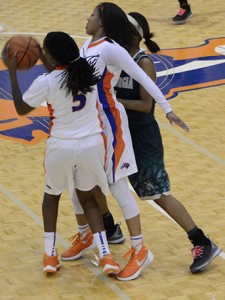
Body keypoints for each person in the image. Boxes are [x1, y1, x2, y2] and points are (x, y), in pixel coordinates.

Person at [61, 2, 190, 281]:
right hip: (89, 125)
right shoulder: (86, 46)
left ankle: (140, 249)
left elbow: (144, 77)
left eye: (93, 14)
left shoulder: (110, 49)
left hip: (111, 126)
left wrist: (167, 109)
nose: (88, 17)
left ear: (103, 22)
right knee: (79, 180)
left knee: (117, 186)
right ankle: (86, 236)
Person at [2, 31, 121, 276]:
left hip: (61, 146)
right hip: (91, 145)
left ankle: (50, 255)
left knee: (51, 197)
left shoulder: (46, 82)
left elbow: (21, 108)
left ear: (53, 56)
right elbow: (63, 71)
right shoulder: (87, 72)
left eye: (46, 52)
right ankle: (106, 255)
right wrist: (49, 61)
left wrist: (12, 73)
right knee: (89, 199)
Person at [115, 11, 221, 274]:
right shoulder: (116, 60)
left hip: (143, 137)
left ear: (133, 34)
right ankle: (108, 226)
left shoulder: (143, 62)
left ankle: (201, 240)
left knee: (157, 193)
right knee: (103, 179)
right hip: (121, 135)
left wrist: (112, 101)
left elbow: (144, 104)